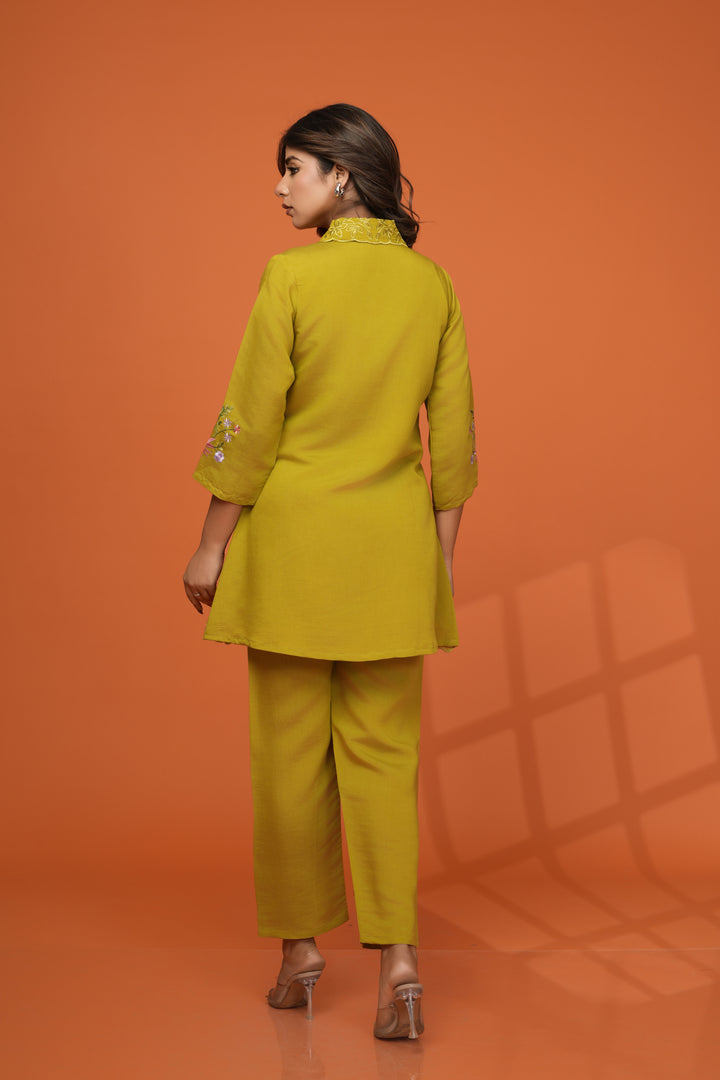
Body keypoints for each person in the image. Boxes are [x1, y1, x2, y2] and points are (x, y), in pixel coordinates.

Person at [183, 103, 477, 1040]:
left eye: (295, 168)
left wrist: (211, 543)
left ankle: (300, 954)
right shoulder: (432, 286)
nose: (280, 187)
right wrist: (438, 566)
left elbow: (248, 425)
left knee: (289, 760)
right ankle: (400, 963)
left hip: (293, 558)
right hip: (392, 557)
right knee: (387, 762)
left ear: (343, 176)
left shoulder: (292, 278)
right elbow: (455, 446)